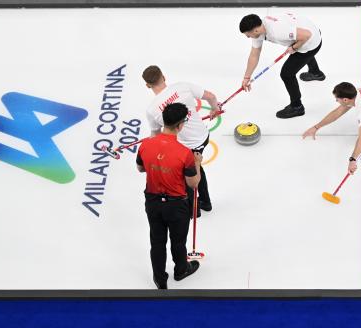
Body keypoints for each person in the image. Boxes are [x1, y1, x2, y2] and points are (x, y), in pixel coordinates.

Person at [136, 103, 202, 289]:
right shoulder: (185, 154)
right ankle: (181, 270)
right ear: (181, 125)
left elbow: (140, 168)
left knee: (157, 241)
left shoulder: (146, 144)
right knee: (178, 241)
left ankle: (159, 278)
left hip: (153, 202)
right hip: (176, 205)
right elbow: (193, 183)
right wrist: (197, 163)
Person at [142, 65, 221, 217]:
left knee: (187, 179)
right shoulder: (182, 86)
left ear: (147, 85)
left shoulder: (152, 109)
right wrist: (214, 109)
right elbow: (211, 96)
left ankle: (194, 210)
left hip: (185, 149)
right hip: (203, 137)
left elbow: (156, 136)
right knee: (197, 170)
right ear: (163, 77)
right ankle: (205, 202)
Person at [239, 12, 325, 119]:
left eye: (247, 34)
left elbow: (306, 35)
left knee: (287, 74)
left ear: (255, 30)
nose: (247, 37)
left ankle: (297, 106)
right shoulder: (259, 28)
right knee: (297, 45)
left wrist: (294, 48)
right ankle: (315, 72)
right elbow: (254, 55)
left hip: (311, 41)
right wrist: (247, 77)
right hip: (309, 30)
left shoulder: (277, 31)